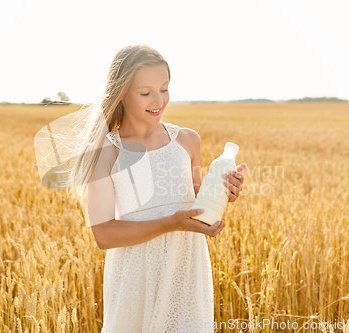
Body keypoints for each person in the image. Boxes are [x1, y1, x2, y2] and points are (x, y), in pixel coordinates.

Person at [84, 44, 245, 333]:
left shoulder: (186, 140)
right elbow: (103, 234)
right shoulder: (106, 151)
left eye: (164, 88)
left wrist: (222, 192)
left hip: (186, 267)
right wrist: (171, 222)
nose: (158, 100)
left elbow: (198, 206)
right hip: (136, 275)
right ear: (121, 92)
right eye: (145, 93)